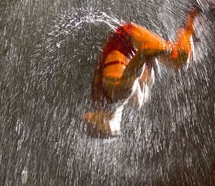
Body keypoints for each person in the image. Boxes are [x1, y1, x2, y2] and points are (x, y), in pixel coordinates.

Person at [83, 9, 199, 137]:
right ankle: (193, 24)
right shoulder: (100, 102)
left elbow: (145, 51)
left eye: (113, 132)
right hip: (121, 47)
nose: (118, 130)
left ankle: (195, 10)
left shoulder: (121, 91)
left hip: (126, 38)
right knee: (138, 99)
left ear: (107, 123)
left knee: (180, 59)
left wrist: (171, 50)